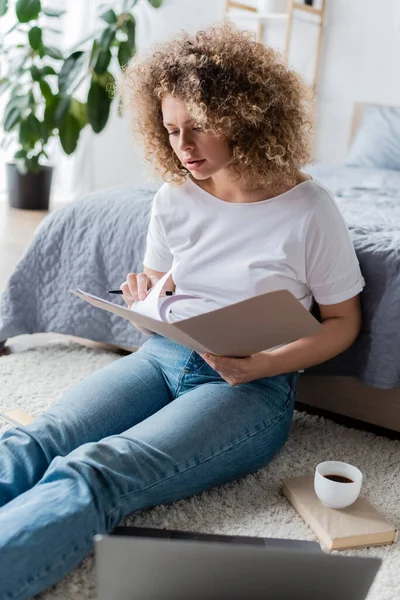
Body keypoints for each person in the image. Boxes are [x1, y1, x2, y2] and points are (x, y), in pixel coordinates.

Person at [0, 22, 365, 599]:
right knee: (38, 440)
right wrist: (147, 293)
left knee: (97, 470)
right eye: (171, 130)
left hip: (248, 387)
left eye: (199, 127)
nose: (183, 147)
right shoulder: (173, 197)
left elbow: (343, 323)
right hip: (166, 355)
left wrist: (260, 367)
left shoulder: (309, 211)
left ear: (245, 116)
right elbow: (162, 284)